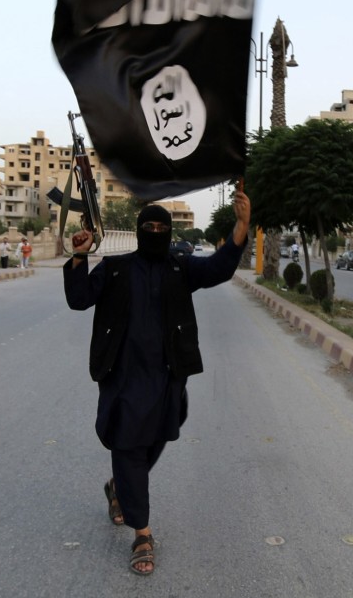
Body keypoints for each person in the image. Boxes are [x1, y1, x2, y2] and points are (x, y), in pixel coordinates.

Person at [63, 186, 251, 576]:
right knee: (129, 444)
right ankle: (143, 533)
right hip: (124, 377)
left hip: (168, 376)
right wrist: (80, 255)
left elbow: (218, 267)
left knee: (162, 433)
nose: (153, 231)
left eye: (159, 226)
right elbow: (79, 299)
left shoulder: (180, 268)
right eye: (147, 226)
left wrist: (241, 225)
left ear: (167, 232)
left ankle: (119, 486)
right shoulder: (116, 268)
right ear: (138, 230)